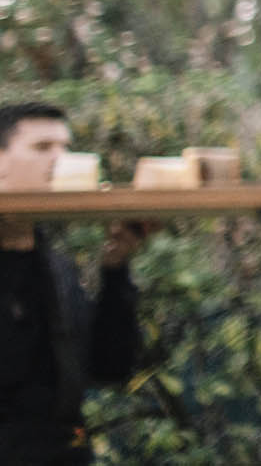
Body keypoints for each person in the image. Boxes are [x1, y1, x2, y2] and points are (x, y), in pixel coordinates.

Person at [0, 102, 148, 465]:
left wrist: (115, 270)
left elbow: (110, 367)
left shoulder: (57, 270)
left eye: (65, 148)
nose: (60, 159)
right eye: (42, 148)